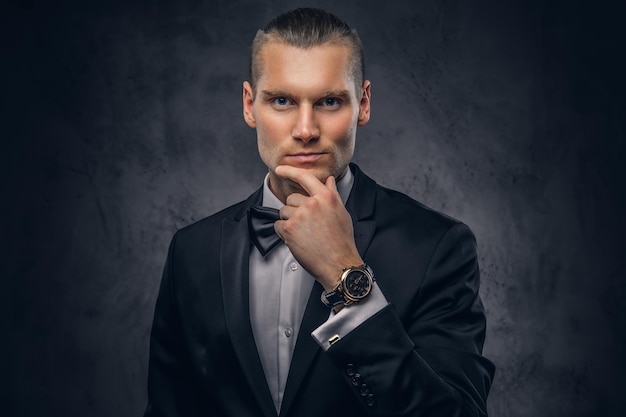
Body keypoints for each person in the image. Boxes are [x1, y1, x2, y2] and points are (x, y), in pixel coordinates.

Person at [145, 7, 495, 417]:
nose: (306, 129)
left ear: (363, 104)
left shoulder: (438, 246)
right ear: (249, 104)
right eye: (281, 100)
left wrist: (345, 273)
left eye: (329, 101)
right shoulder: (192, 250)